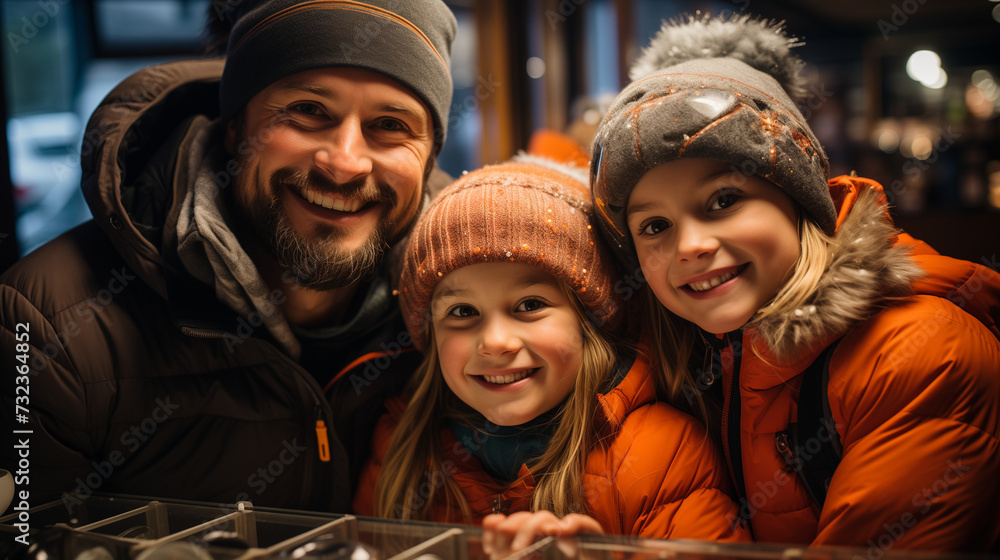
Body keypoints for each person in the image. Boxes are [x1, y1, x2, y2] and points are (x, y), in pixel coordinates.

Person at [0, 0, 457, 513]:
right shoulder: (48, 329)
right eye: (308, 111)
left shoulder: (470, 310)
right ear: (235, 127)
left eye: (391, 125)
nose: (345, 163)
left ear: (430, 157)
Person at [589, 14, 1000, 550]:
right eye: (655, 226)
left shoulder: (920, 357)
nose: (689, 245)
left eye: (724, 200)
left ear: (800, 202)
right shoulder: (682, 362)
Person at [351, 156, 750, 550]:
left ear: (589, 322)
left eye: (529, 305)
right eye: (462, 312)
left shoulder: (660, 453)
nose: (495, 342)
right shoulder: (401, 447)